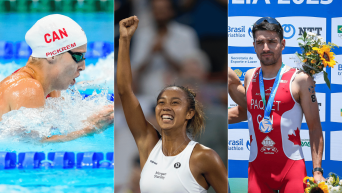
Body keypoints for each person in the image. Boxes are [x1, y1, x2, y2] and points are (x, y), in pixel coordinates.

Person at [117, 16, 227, 193]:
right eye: (161, 102)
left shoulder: (204, 156)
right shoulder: (148, 143)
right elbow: (124, 90)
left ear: (190, 113)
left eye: (175, 102)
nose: (166, 107)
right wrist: (124, 40)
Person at [228, 17, 324, 193]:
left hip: (292, 170)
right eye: (260, 42)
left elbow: (315, 128)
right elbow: (245, 111)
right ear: (254, 46)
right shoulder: (250, 76)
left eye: (272, 42)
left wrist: (317, 171)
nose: (266, 48)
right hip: (257, 171)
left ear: (283, 44)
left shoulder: (301, 79)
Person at [0, 14, 114, 142]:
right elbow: (32, 146)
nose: (83, 66)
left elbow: (54, 129)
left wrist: (94, 119)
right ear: (52, 54)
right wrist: (89, 129)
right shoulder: (28, 89)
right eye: (78, 56)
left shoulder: (51, 87)